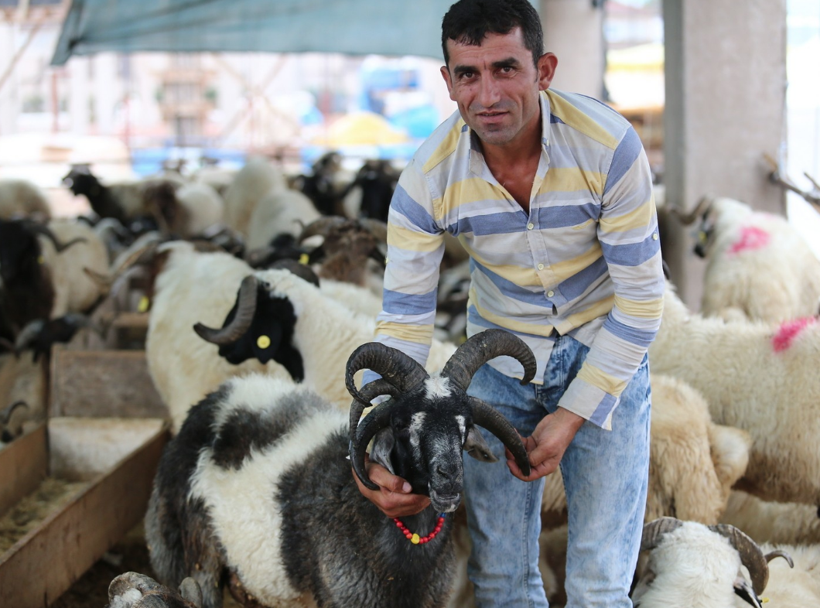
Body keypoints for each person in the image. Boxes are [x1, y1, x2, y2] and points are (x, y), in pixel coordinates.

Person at [354, 0, 665, 606]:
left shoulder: (608, 147)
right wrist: (380, 442)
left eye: (505, 68)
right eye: (468, 75)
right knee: (500, 581)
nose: (488, 95)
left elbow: (642, 301)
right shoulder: (427, 180)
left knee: (600, 587)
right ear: (448, 82)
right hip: (496, 363)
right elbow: (404, 324)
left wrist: (573, 413)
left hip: (604, 349)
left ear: (543, 70)